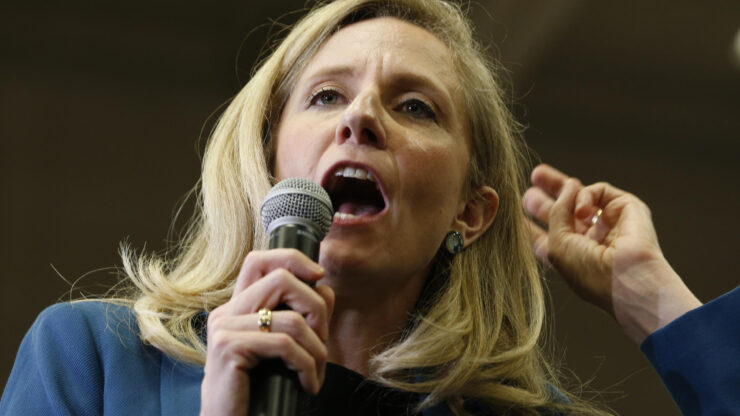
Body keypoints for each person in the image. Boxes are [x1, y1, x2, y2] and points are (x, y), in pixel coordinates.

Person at [1, 0, 737, 415]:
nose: (360, 118)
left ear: (471, 212)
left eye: (415, 106)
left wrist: (652, 296)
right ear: (267, 160)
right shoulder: (95, 361)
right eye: (326, 95)